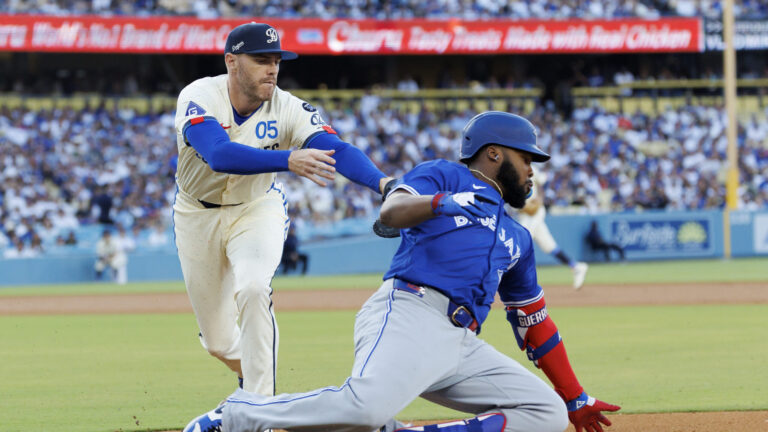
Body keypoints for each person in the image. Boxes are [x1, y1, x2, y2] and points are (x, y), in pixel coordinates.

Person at [183, 111, 620, 432]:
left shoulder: (518, 239)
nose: (531, 172)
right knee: (364, 409)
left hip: (462, 343)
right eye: (527, 159)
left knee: (546, 413)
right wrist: (441, 203)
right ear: (494, 154)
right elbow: (391, 210)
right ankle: (239, 415)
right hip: (410, 313)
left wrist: (575, 395)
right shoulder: (446, 176)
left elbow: (534, 322)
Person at [172, 22, 393, 396]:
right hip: (197, 213)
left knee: (255, 287)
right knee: (219, 342)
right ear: (231, 62)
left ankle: (262, 410)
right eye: (261, 60)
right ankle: (251, 372)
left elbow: (336, 149)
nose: (272, 68)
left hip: (256, 208)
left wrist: (384, 184)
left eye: (276, 60)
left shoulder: (287, 107)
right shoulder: (199, 95)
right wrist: (290, 159)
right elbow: (218, 154)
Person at [507, 167, 589, 290]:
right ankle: (576, 267)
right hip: (524, 214)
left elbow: (542, 182)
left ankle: (515, 279)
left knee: (522, 241)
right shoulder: (508, 172)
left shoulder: (529, 167)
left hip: (536, 213)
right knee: (548, 246)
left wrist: (540, 197)